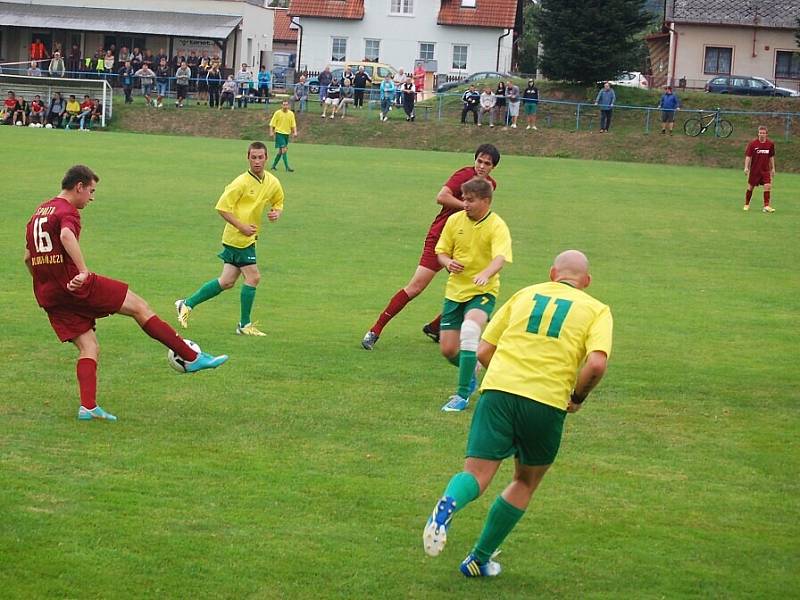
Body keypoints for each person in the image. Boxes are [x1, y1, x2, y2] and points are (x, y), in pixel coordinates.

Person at [422, 249, 613, 577]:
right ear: (587, 282)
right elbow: (596, 363)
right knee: (524, 481)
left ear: (553, 273)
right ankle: (478, 560)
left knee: (476, 474)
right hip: (546, 401)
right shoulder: (596, 309)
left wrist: (504, 378)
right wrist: (578, 396)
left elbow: (483, 350)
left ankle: (447, 504)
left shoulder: (525, 295)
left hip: (498, 391)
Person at [24, 165, 228, 421]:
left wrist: (47, 283)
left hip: (49, 294)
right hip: (77, 285)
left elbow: (28, 258)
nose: (92, 197)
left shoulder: (38, 213)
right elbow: (66, 235)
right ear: (79, 186)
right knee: (139, 307)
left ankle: (88, 407)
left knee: (89, 346)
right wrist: (83, 271)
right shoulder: (68, 211)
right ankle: (191, 357)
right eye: (91, 191)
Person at [361, 144, 500, 350]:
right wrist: (466, 205)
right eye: (479, 161)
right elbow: (441, 196)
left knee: (473, 292)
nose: (481, 166)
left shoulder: (490, 186)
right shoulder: (464, 175)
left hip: (463, 243)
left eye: (487, 163)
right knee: (416, 287)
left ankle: (435, 327)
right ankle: (374, 331)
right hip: (441, 238)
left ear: (493, 167)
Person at [176, 142, 284, 337]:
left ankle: (187, 304)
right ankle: (244, 324)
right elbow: (222, 208)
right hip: (237, 238)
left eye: (261, 157)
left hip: (249, 239)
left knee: (226, 281)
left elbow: (278, 200)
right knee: (253, 277)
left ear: (267, 158)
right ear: (248, 158)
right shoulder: (240, 182)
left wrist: (277, 212)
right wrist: (241, 226)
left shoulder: (272, 182)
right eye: (253, 157)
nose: (257, 161)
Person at [435, 178, 512, 412]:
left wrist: (486, 274)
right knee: (448, 350)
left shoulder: (497, 226)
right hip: (455, 291)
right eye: (463, 199)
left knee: (470, 330)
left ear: (485, 201)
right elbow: (441, 251)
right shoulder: (454, 220)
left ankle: (461, 396)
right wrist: (448, 263)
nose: (464, 204)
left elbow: (500, 258)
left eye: (470, 200)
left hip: (483, 291)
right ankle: (470, 372)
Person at [743, 125, 776, 213]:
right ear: (758, 134)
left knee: (768, 186)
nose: (762, 134)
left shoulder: (770, 144)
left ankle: (766, 206)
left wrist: (773, 168)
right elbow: (748, 156)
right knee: (750, 187)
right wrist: (746, 167)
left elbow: (771, 157)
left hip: (765, 170)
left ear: (766, 134)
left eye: (763, 133)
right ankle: (746, 204)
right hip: (755, 170)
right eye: (760, 133)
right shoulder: (753, 144)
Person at [269, 100, 298, 171]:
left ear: (288, 106)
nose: (285, 106)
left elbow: (293, 124)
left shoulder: (291, 114)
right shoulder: (277, 113)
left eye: (286, 105)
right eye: (284, 105)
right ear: (281, 106)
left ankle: (273, 166)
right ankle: (287, 167)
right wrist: (271, 132)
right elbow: (272, 124)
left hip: (286, 134)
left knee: (280, 151)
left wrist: (295, 132)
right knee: (284, 150)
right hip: (279, 133)